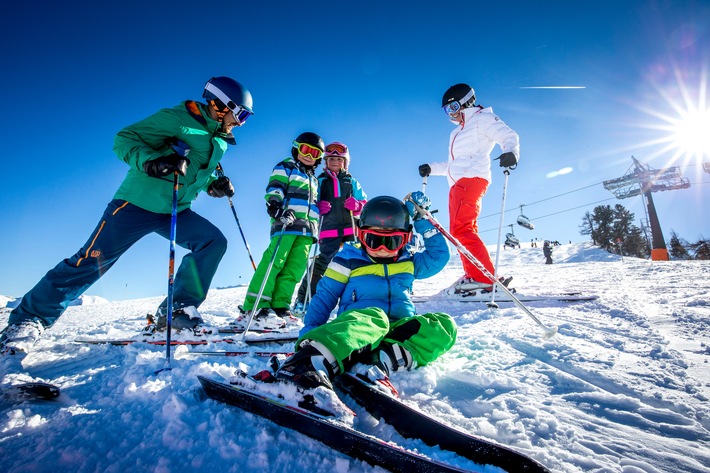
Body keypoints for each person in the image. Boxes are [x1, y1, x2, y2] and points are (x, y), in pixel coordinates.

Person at [0, 76, 253, 369]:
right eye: (241, 114)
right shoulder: (176, 119)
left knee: (213, 242)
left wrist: (213, 185)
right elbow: (124, 139)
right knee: (89, 262)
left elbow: (197, 171)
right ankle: (27, 321)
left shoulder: (219, 141)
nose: (242, 122)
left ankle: (177, 311)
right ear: (219, 105)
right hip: (134, 205)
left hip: (175, 209)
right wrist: (151, 162)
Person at [274, 193, 457, 390]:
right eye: (373, 239)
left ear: (406, 239)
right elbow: (324, 297)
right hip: (358, 329)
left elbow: (439, 256)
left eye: (392, 241)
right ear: (361, 235)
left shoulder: (409, 262)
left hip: (395, 334)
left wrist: (422, 219)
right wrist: (311, 332)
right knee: (375, 316)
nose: (382, 249)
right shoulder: (347, 260)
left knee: (444, 325)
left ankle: (380, 361)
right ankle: (310, 361)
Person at [418, 83, 519, 293]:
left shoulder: (482, 119)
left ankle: (485, 278)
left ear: (466, 103)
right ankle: (474, 274)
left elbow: (509, 136)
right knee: (462, 231)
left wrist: (511, 152)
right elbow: (452, 165)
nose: (451, 114)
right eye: (447, 111)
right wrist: (431, 168)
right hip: (458, 183)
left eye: (454, 107)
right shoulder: (458, 132)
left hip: (470, 180)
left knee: (461, 230)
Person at [236, 132, 323, 329]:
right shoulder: (287, 166)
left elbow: (312, 204)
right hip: (287, 223)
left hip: (307, 231)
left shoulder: (314, 180)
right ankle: (256, 306)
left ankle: (280, 306)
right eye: (305, 149)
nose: (309, 155)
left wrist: (319, 211)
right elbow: (275, 187)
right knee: (275, 262)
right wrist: (275, 205)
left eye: (315, 153)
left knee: (295, 269)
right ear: (296, 148)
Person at [294, 142, 367, 313]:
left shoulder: (351, 181)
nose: (335, 161)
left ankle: (359, 298)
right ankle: (304, 299)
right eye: (331, 158)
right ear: (325, 161)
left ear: (345, 162)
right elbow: (309, 201)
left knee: (356, 260)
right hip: (328, 227)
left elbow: (364, 203)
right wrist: (318, 207)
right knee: (325, 261)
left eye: (339, 159)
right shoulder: (319, 181)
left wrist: (357, 206)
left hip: (350, 227)